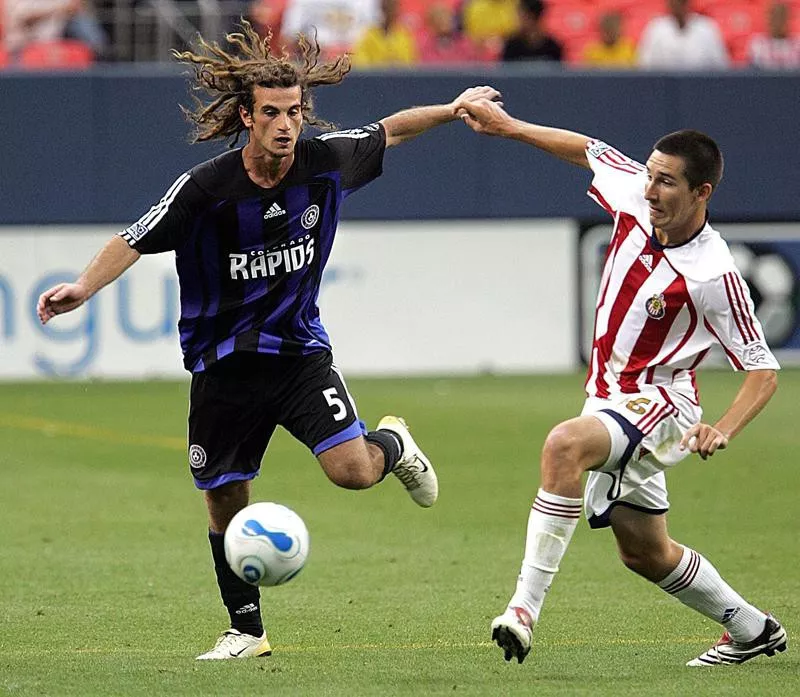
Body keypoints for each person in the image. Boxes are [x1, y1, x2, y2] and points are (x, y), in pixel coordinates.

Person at [36, 20, 501, 661]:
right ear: (247, 119)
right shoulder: (206, 189)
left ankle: (392, 442)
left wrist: (452, 109)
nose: (286, 125)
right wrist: (83, 288)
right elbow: (133, 237)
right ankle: (247, 631)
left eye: (294, 112)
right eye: (272, 114)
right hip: (222, 366)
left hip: (297, 356)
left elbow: (392, 128)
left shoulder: (325, 162)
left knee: (353, 473)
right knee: (224, 496)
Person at [454, 97, 788, 667]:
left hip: (662, 403)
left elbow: (763, 368)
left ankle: (522, 610)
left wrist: (724, 429)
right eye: (651, 176)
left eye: (667, 183)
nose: (651, 190)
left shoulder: (713, 272)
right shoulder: (636, 191)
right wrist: (509, 127)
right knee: (644, 553)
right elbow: (587, 150)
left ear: (702, 192)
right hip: (607, 397)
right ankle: (752, 629)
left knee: (564, 444)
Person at [638, 0, 728, 70]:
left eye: (680, 2)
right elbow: (645, 66)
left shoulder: (706, 27)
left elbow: (720, 66)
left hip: (700, 87)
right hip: (663, 88)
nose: (677, 7)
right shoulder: (656, 28)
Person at [350, 0, 418, 68]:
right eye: (386, 7)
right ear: (381, 9)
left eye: (392, 8)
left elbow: (410, 66)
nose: (389, 11)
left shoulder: (404, 36)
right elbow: (361, 66)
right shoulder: (368, 37)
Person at [747, 2, 800, 70]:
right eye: (775, 17)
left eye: (782, 17)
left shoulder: (798, 43)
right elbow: (755, 73)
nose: (778, 22)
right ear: (768, 19)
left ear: (789, 19)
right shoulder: (758, 43)